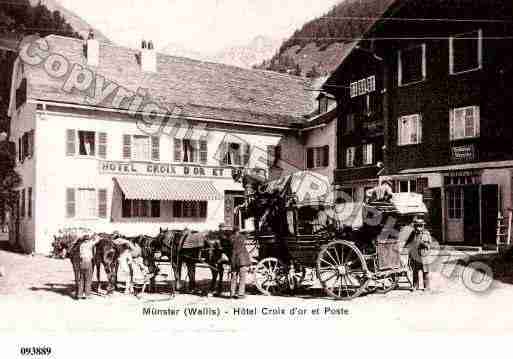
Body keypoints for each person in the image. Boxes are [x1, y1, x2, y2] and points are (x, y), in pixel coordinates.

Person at [406, 217, 432, 291]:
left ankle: (427, 287)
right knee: (415, 272)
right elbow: (408, 243)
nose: (418, 227)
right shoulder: (413, 234)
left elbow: (429, 245)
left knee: (425, 272)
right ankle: (415, 286)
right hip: (415, 255)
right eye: (417, 225)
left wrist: (422, 243)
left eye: (420, 225)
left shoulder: (426, 233)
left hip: (424, 256)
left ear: (423, 226)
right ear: (415, 226)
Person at [77, 234, 101, 299]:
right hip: (88, 262)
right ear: (88, 239)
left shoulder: (81, 245)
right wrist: (97, 236)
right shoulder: (90, 244)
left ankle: (79, 295)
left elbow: (80, 254)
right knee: (88, 279)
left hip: (82, 262)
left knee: (81, 279)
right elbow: (97, 241)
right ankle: (87, 295)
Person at [229, 226, 251, 299]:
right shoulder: (242, 237)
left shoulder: (231, 238)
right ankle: (240, 294)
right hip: (242, 260)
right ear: (238, 230)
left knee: (233, 277)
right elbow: (247, 235)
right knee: (242, 277)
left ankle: (232, 294)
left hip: (233, 260)